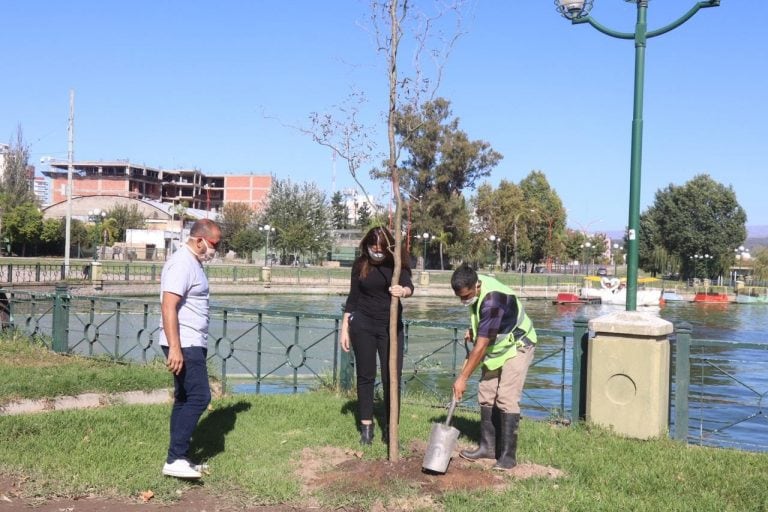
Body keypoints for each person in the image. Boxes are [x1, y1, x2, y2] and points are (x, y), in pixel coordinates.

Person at [450, 263, 537, 470]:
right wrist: (474, 329)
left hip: (518, 345)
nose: (464, 301)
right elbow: (483, 324)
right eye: (460, 297)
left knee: (506, 397)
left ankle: (507, 456)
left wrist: (462, 378)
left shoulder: (493, 300)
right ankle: (488, 447)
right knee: (487, 393)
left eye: (466, 296)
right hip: (497, 348)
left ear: (476, 286)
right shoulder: (475, 288)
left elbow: (480, 348)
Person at [159, 219, 222, 479]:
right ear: (200, 241)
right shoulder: (181, 263)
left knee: (184, 398)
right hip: (185, 343)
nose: (215, 250)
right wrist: (175, 347)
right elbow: (168, 305)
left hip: (190, 341)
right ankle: (174, 458)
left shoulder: (192, 263)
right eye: (214, 244)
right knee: (200, 397)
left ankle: (180, 457)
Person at [340, 226, 414, 445]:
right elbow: (352, 298)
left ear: (389, 247)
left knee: (392, 377)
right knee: (366, 376)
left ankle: (391, 430)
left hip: (390, 328)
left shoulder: (397, 264)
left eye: (381, 248)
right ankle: (366, 428)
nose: (377, 252)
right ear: (367, 246)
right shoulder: (360, 265)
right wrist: (344, 328)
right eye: (373, 247)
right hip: (362, 325)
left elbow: (410, 286)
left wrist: (403, 291)